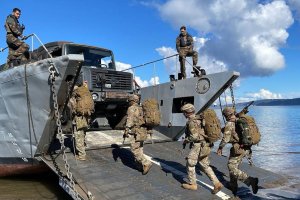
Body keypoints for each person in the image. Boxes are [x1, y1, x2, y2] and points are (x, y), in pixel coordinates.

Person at [181, 103, 223, 194]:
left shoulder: (192, 121)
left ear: (187, 112)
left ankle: (193, 184)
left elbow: (195, 136)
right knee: (204, 165)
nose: (183, 114)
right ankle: (217, 183)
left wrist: (186, 140)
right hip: (206, 145)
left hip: (198, 145)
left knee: (190, 164)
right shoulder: (199, 119)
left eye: (184, 112)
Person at [217, 107, 258, 196]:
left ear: (225, 115)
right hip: (247, 147)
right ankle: (233, 186)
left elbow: (226, 139)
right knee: (234, 166)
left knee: (231, 167)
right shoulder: (239, 119)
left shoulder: (230, 123)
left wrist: (220, 148)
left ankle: (251, 180)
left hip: (238, 148)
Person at [123, 94, 152, 175]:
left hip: (135, 132)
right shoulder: (142, 108)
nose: (129, 102)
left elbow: (130, 120)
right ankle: (140, 166)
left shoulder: (131, 108)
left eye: (129, 100)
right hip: (143, 131)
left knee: (134, 150)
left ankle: (146, 163)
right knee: (140, 149)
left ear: (132, 101)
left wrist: (126, 130)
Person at [68, 81, 94, 161]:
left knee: (78, 136)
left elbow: (72, 107)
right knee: (83, 134)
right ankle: (83, 148)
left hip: (78, 118)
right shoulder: (85, 91)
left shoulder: (75, 94)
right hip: (87, 116)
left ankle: (81, 156)